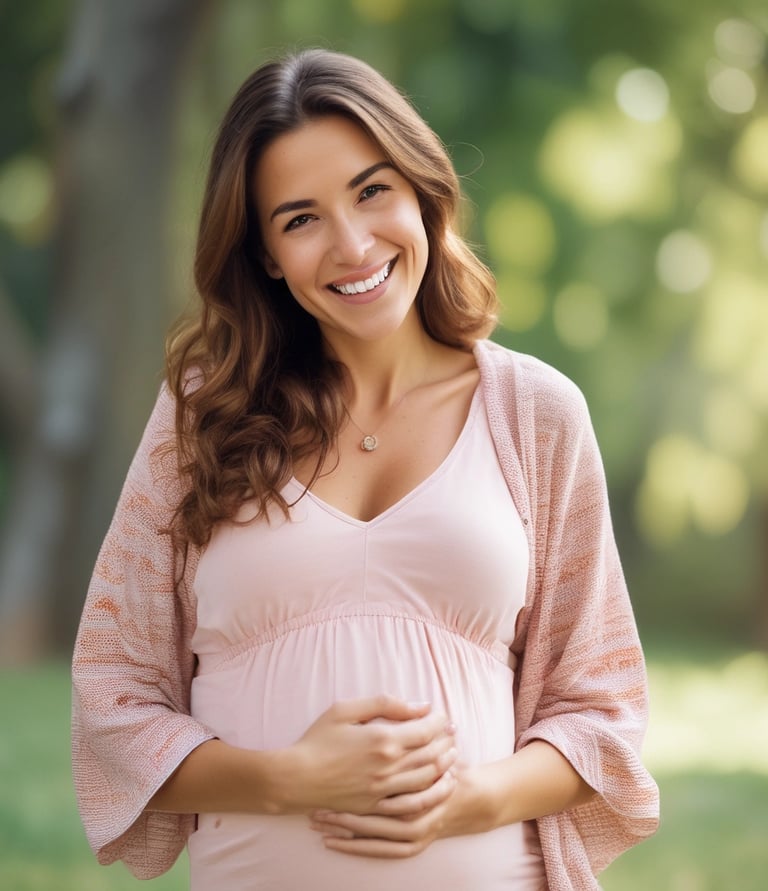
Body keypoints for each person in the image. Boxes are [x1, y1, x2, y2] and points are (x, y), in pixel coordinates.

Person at [71, 48, 659, 891]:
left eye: (372, 190)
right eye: (300, 218)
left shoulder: (537, 412)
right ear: (267, 252)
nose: (352, 245)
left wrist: (470, 797)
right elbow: (114, 696)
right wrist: (291, 778)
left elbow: (601, 713)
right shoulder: (204, 415)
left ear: (421, 191)